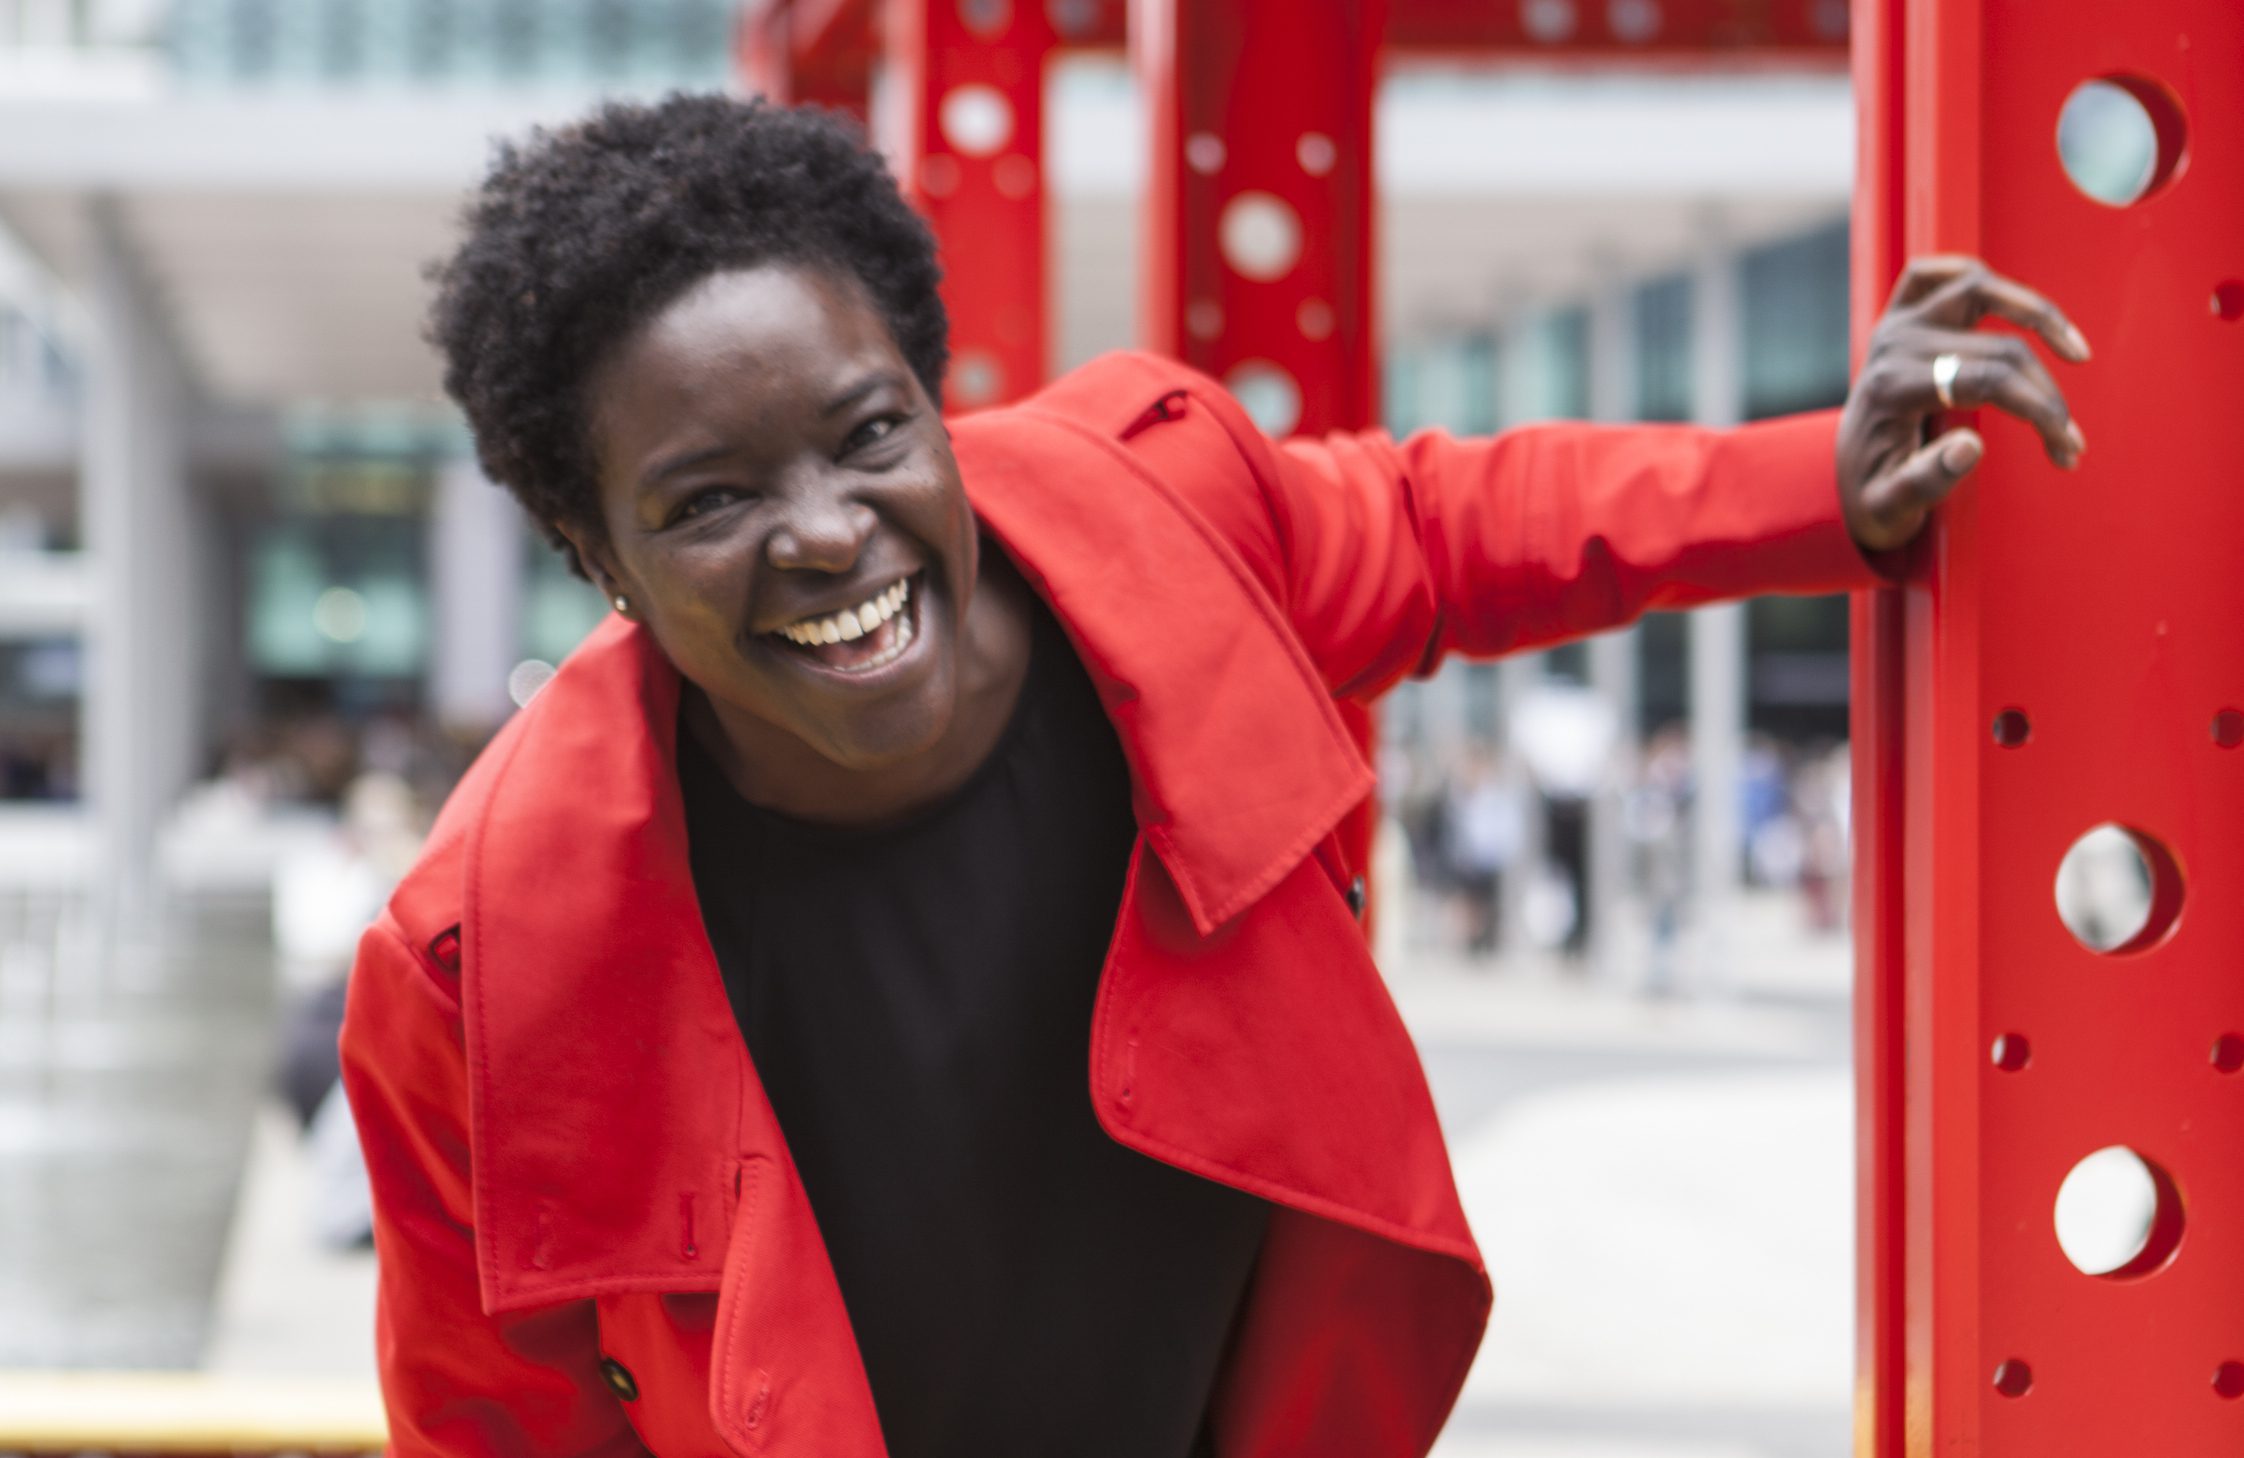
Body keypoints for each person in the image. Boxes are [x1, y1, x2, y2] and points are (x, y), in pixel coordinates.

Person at [339, 95, 2089, 1458]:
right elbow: (489, 1418)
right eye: (709, 499)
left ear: (939, 412)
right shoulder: (476, 965)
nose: (824, 532)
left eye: (872, 434)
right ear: (595, 554)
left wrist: (1817, 480)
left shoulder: (1152, 523)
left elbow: (1448, 526)